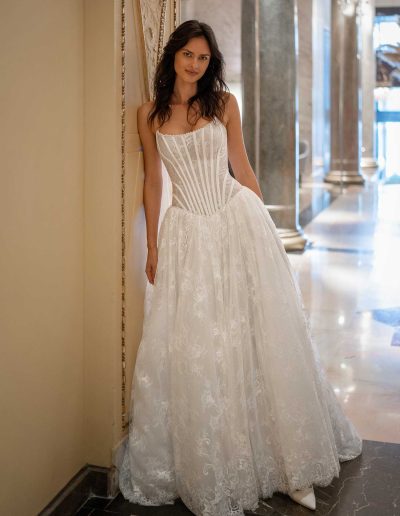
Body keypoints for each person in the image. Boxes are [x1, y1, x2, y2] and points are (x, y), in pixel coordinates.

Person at [119, 19, 362, 516]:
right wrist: (152, 245)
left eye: (204, 57)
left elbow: (241, 166)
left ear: (211, 63)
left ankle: (292, 464)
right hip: (187, 232)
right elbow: (152, 181)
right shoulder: (149, 114)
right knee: (204, 342)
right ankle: (217, 461)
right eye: (188, 54)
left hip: (235, 219)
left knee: (260, 334)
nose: (195, 64)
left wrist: (266, 227)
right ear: (173, 56)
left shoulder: (224, 104)